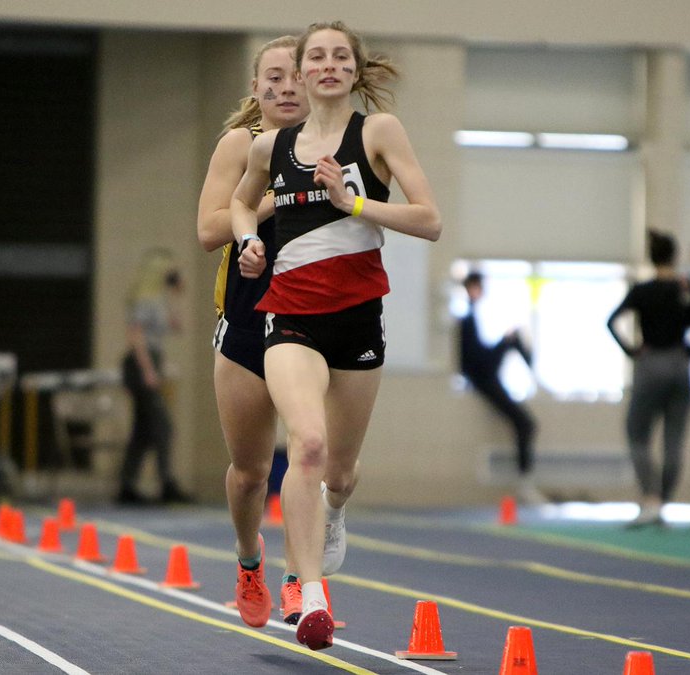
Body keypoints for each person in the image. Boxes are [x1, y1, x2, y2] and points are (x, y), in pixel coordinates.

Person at [230, 20, 440, 651]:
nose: (327, 66)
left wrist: (353, 204)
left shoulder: (377, 132)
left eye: (339, 57)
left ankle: (335, 512)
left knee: (339, 473)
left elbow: (429, 220)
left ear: (353, 69)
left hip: (357, 320)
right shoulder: (271, 147)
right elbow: (243, 204)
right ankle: (312, 596)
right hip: (289, 315)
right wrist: (248, 243)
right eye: (315, 57)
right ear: (299, 70)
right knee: (308, 444)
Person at [195, 35, 308, 629]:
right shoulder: (240, 144)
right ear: (257, 85)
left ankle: (300, 582)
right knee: (251, 474)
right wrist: (269, 200)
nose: (287, 87)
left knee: (314, 458)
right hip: (245, 318)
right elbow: (210, 229)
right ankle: (248, 561)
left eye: (297, 76)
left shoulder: (332, 146)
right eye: (275, 77)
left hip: (314, 317)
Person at [607, 230, 690, 527]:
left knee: (637, 432)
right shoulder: (686, 290)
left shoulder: (643, 291)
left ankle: (651, 497)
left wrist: (631, 350)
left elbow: (611, 321)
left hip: (651, 362)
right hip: (680, 364)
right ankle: (664, 499)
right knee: (674, 440)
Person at [458, 271, 541, 504]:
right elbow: (474, 359)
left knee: (513, 337)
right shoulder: (466, 318)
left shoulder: (473, 316)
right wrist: (503, 342)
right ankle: (525, 485)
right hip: (482, 376)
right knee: (526, 423)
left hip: (485, 372)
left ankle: (534, 373)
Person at [118, 250, 193, 505]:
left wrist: (175, 296)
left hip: (152, 360)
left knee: (142, 430)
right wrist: (148, 370)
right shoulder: (144, 299)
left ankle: (126, 485)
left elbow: (177, 325)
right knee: (163, 426)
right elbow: (135, 335)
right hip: (140, 363)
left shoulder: (160, 299)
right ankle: (166, 483)